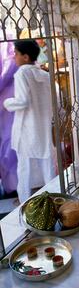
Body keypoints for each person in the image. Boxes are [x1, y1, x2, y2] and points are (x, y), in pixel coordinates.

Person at [3, 39, 56, 203]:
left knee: (24, 169)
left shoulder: (22, 73)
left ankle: (25, 202)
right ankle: (53, 199)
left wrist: (7, 103)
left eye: (16, 54)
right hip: (43, 127)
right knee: (47, 165)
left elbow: (23, 101)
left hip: (27, 129)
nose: (14, 58)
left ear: (25, 57)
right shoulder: (44, 75)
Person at [0, 37, 18, 198]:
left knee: (9, 144)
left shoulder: (8, 45)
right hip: (7, 100)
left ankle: (12, 186)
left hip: (8, 100)